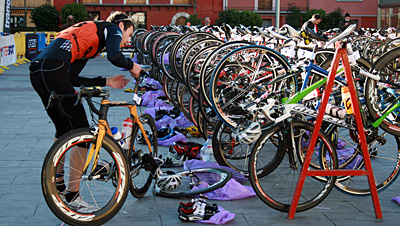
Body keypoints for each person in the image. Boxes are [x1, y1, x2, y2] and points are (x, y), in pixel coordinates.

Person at [29, 11, 141, 210]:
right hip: (53, 68)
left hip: (39, 70)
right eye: (129, 34)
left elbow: (71, 78)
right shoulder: (112, 29)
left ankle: (60, 185)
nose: (127, 40)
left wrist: (106, 81)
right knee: (82, 129)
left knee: (64, 130)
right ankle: (73, 197)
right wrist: (132, 66)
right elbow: (115, 55)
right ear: (122, 26)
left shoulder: (92, 36)